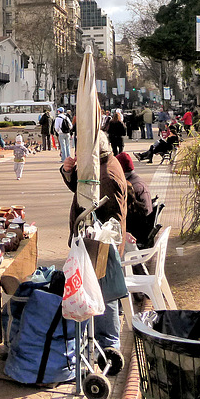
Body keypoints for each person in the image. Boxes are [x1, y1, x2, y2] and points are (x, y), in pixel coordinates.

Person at [61, 136, 128, 352]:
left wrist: (95, 237)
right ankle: (105, 341)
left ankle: (109, 346)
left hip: (101, 246)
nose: (77, 154)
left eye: (80, 150)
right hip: (97, 244)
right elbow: (82, 191)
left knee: (104, 295)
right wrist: (69, 172)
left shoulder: (106, 175)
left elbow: (112, 217)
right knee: (102, 294)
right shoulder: (101, 166)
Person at [114, 152, 153, 246]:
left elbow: (125, 214)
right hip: (144, 228)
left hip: (136, 234)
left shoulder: (130, 187)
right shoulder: (138, 181)